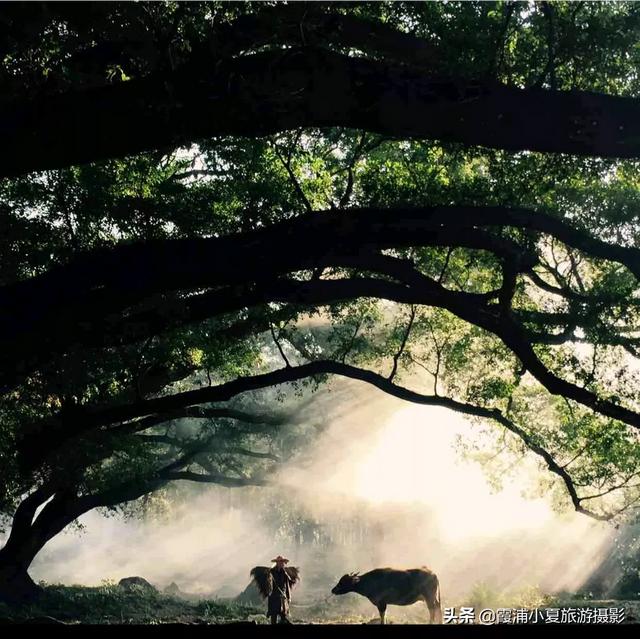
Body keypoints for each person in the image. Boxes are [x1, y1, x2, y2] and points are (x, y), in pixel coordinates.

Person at [250, 555, 300, 624]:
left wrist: (288, 597)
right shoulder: (272, 572)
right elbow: (269, 583)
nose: (282, 563)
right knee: (274, 618)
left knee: (283, 617)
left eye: (282, 562)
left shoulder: (285, 573)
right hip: (274, 598)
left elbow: (287, 585)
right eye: (280, 562)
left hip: (283, 599)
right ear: (277, 563)